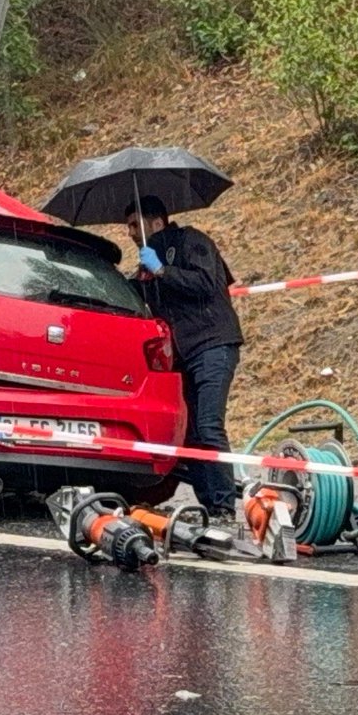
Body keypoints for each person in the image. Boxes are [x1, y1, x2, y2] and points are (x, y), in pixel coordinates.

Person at [125, 194, 242, 519]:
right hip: (184, 355)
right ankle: (210, 505)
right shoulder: (146, 264)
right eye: (128, 226)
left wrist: (164, 271)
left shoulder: (192, 240)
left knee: (209, 426)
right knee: (190, 432)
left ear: (157, 222)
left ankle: (224, 506)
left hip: (214, 344)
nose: (131, 233)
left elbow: (208, 284)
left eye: (135, 224)